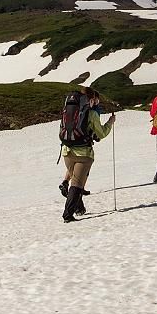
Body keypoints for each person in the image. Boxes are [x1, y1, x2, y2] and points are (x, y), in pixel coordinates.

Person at [59, 87, 116, 222]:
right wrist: (110, 122)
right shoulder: (91, 114)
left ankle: (79, 208)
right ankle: (68, 214)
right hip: (83, 154)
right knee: (77, 184)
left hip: (66, 151)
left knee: (75, 180)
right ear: (90, 100)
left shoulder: (69, 110)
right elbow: (101, 133)